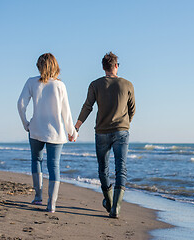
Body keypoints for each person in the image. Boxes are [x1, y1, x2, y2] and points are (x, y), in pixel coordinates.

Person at [74, 52, 135, 218]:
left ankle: (108, 201)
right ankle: (115, 208)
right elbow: (132, 109)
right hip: (121, 131)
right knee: (120, 168)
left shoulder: (95, 84)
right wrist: (124, 123)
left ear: (103, 67)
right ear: (116, 66)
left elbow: (88, 106)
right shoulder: (127, 84)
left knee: (103, 169)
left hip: (101, 132)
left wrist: (77, 126)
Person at [17, 53, 78, 213]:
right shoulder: (60, 85)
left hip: (35, 128)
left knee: (36, 160)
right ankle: (51, 204)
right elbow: (67, 112)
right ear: (55, 66)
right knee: (54, 165)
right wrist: (72, 131)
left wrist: (26, 124)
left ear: (39, 66)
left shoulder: (31, 82)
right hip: (56, 132)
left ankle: (38, 198)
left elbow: (20, 104)